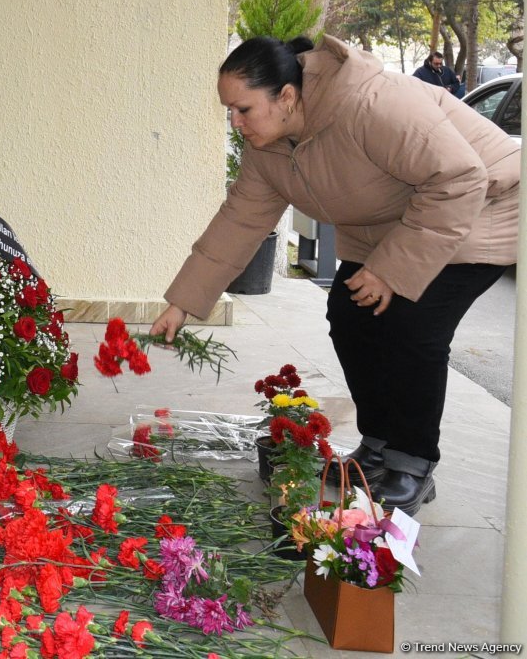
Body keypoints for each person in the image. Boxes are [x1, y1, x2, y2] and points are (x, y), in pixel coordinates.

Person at [151, 35, 518, 516]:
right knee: (349, 314)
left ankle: (413, 462)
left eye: (242, 109)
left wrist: (390, 270)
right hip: (396, 221)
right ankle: (380, 444)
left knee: (412, 324)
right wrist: (183, 301)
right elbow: (240, 220)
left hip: (480, 207)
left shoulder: (372, 104)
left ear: (285, 95)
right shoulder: (270, 145)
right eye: (229, 112)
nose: (235, 123)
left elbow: (459, 178)